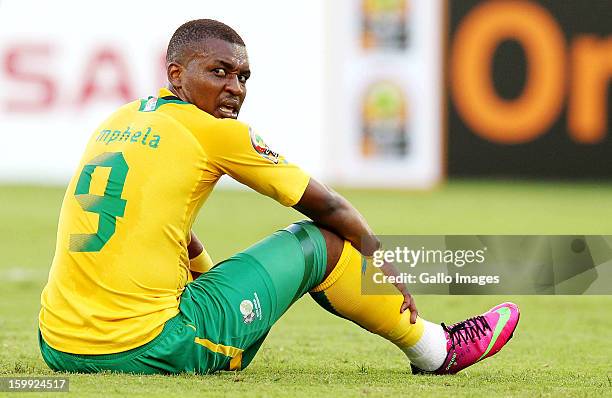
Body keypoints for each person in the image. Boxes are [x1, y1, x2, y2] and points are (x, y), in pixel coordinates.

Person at [38, 19, 519, 375]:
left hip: (57, 343)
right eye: (219, 72)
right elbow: (329, 207)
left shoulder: (119, 119)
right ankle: (437, 350)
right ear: (176, 73)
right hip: (151, 347)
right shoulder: (213, 132)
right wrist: (380, 261)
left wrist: (210, 281)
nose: (234, 89)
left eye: (243, 77)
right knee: (322, 241)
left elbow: (166, 223)